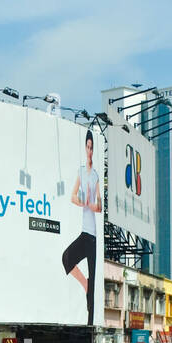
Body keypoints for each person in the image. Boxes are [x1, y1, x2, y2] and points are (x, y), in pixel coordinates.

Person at [60, 128, 101, 326]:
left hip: (95, 236)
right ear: (85, 147)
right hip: (85, 232)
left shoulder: (95, 175)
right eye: (88, 146)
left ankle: (90, 324)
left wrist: (92, 204)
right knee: (67, 257)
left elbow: (99, 205)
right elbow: (73, 196)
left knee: (94, 282)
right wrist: (82, 202)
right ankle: (85, 284)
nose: (90, 151)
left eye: (92, 147)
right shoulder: (81, 172)